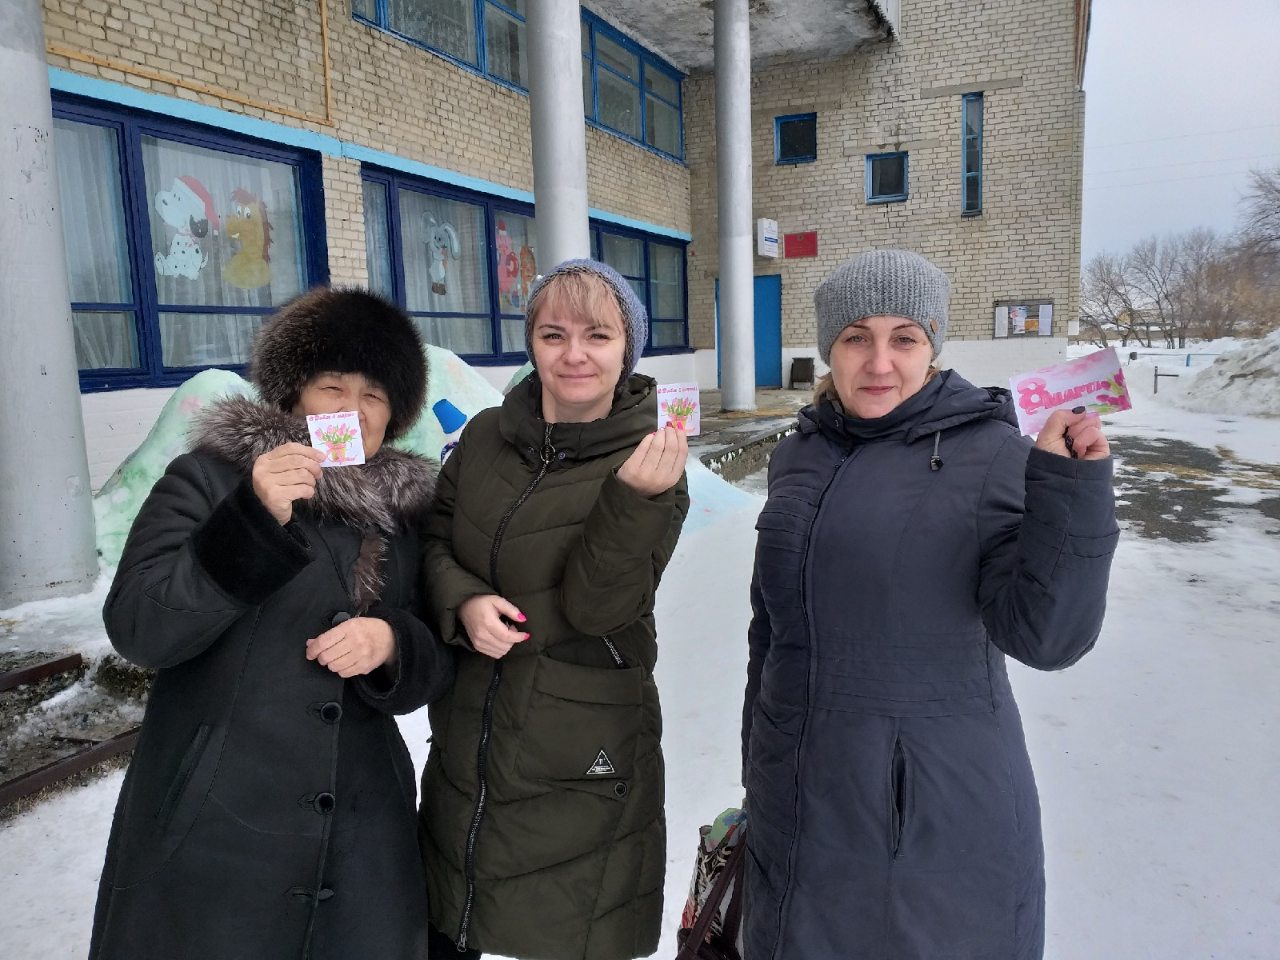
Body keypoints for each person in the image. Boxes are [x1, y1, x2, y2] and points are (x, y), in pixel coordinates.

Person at [741, 250, 1119, 959]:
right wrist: (756, 768)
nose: (879, 362)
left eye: (905, 338)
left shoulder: (993, 453)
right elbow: (773, 630)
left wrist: (1071, 492)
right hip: (793, 802)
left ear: (932, 346)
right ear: (829, 349)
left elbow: (1048, 638)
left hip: (930, 823)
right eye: (857, 337)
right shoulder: (800, 453)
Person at [90, 288, 454, 960]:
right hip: (213, 829)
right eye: (331, 385)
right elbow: (139, 626)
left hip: (362, 842)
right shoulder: (209, 479)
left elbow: (438, 657)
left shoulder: (408, 514)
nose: (352, 407)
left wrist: (392, 643)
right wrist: (251, 520)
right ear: (292, 396)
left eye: (374, 394)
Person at [418, 259, 689, 960]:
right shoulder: (485, 437)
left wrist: (632, 501)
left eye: (598, 335)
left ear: (627, 350)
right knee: (449, 917)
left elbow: (600, 609)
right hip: (471, 737)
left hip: (580, 752)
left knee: (569, 932)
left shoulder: (652, 460)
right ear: (531, 344)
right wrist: (463, 599)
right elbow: (434, 541)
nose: (574, 355)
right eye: (553, 334)